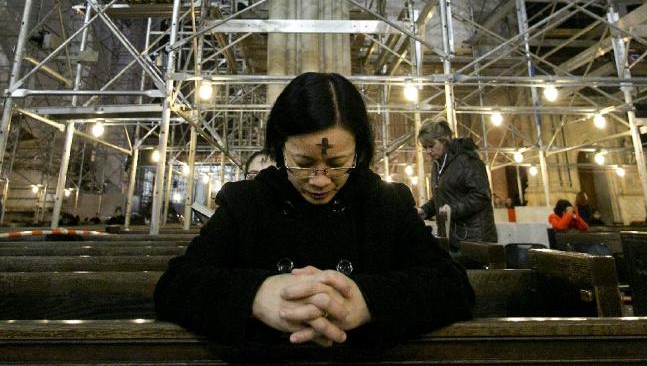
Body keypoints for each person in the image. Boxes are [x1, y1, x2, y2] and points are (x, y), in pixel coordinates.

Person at [154, 72, 474, 351]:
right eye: (303, 164)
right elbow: (176, 284)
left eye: (337, 164)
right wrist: (256, 294)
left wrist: (367, 300)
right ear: (279, 150)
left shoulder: (385, 202)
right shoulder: (247, 202)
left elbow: (452, 285)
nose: (320, 181)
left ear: (359, 152)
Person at [416, 119, 497, 246]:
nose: (428, 151)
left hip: (474, 239)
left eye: (431, 145)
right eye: (425, 147)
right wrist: (426, 210)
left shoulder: (468, 160)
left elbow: (481, 195)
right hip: (452, 237)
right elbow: (444, 196)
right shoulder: (437, 165)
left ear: (444, 140)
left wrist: (452, 209)